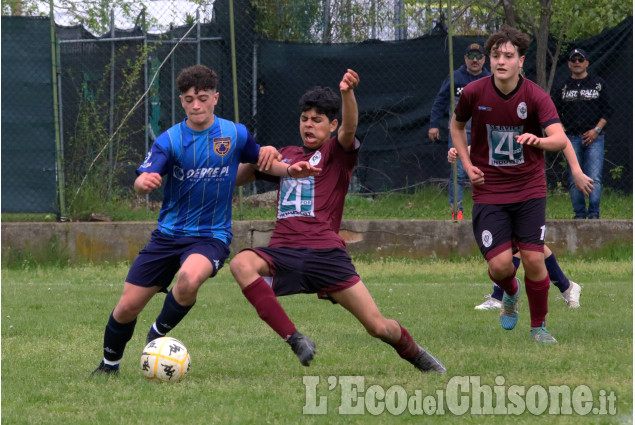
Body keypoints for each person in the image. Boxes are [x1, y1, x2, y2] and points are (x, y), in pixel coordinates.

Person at [91, 65, 320, 375]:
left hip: (209, 236)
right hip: (167, 236)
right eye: (188, 100)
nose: (195, 105)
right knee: (127, 307)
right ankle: (108, 366)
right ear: (182, 101)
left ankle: (156, 335)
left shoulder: (234, 133)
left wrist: (292, 170)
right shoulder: (170, 140)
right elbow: (146, 174)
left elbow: (263, 160)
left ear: (215, 97)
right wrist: (143, 182)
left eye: (201, 98)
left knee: (188, 279)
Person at [229, 69, 446, 373]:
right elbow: (237, 180)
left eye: (317, 120)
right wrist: (256, 156)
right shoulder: (286, 155)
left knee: (378, 327)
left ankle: (418, 356)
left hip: (326, 254)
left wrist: (347, 93)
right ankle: (296, 339)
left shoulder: (336, 152)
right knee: (240, 264)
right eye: (305, 118)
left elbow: (349, 128)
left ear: (331, 125)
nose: (309, 124)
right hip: (285, 251)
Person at [450, 26, 570, 343]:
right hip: (489, 190)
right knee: (502, 266)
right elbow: (456, 126)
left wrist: (540, 140)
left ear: (521, 61)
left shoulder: (534, 96)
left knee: (532, 258)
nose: (501, 61)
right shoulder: (474, 93)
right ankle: (510, 292)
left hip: (529, 188)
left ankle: (539, 327)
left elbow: (559, 138)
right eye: (496, 55)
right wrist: (467, 163)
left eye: (508, 56)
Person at [446, 145, 591, 310]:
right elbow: (494, 142)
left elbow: (560, 139)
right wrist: (462, 151)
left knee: (525, 245)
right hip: (505, 190)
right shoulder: (502, 125)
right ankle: (567, 288)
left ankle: (501, 297)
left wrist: (577, 170)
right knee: (522, 244)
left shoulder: (529, 125)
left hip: (527, 191)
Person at [428, 43, 491, 220]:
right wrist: (434, 124)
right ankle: (457, 211)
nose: (475, 60)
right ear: (465, 59)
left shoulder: (489, 79)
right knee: (458, 173)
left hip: (484, 134)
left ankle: (488, 209)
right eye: (471, 56)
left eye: (479, 56)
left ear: (484, 59)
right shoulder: (455, 77)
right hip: (459, 133)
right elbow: (440, 101)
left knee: (486, 170)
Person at [553, 48, 613, 219]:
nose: (577, 62)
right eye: (574, 60)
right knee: (574, 177)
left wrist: (596, 130)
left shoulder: (598, 84)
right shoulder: (562, 86)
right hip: (570, 137)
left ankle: (594, 214)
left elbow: (608, 110)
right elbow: (553, 111)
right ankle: (579, 215)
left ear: (587, 63)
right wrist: (560, 130)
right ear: (569, 64)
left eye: (581, 59)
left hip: (594, 137)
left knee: (594, 176)